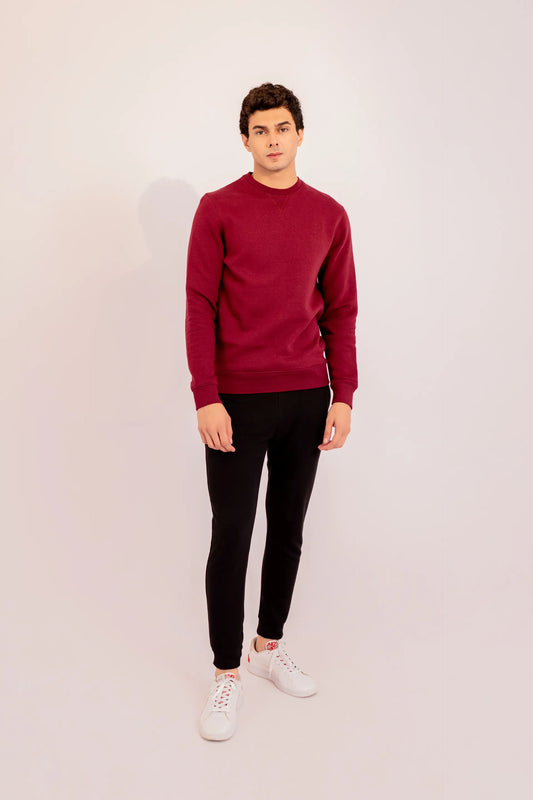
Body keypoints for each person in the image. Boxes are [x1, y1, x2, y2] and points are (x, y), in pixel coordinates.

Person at [185, 82, 358, 741]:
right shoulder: (218, 208)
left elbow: (341, 310)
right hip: (236, 400)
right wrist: (206, 394)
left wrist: (343, 394)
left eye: (283, 128)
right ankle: (226, 672)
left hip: (306, 396)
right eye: (261, 130)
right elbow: (199, 305)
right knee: (231, 534)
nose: (273, 139)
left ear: (300, 134)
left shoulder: (329, 215)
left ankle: (267, 646)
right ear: (246, 140)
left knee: (287, 528)